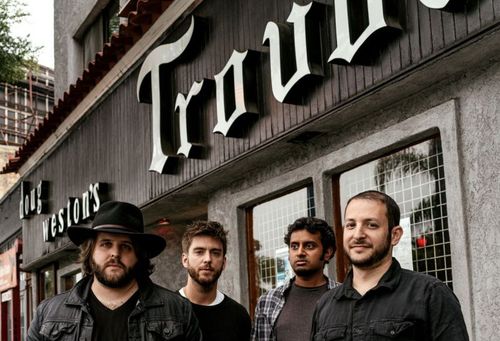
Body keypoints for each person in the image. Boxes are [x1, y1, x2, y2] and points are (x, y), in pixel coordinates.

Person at [27, 200, 201, 341]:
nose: (115, 254)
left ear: (138, 255)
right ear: (91, 251)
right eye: (106, 244)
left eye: (125, 246)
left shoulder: (177, 310)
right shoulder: (49, 313)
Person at [311, 190, 469, 340]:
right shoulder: (325, 304)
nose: (358, 234)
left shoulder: (430, 294)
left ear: (395, 235)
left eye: (371, 225)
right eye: (351, 225)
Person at [251, 217, 339, 341]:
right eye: (294, 246)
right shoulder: (268, 301)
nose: (300, 252)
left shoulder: (344, 297)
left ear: (327, 253)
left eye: (309, 246)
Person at [179, 221, 251, 340]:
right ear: (185, 260)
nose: (207, 259)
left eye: (215, 253)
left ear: (224, 262)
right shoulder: (167, 310)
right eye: (199, 252)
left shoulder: (239, 315)